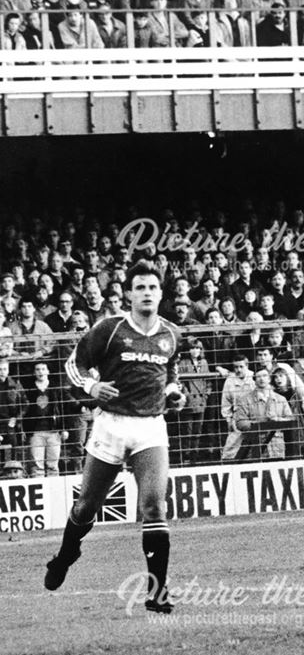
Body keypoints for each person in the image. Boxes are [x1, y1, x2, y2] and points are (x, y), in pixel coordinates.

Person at [45, 261, 185, 614]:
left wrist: (173, 391)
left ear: (161, 293)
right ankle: (64, 556)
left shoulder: (171, 334)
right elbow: (73, 365)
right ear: (128, 293)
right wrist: (92, 386)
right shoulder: (109, 329)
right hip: (110, 424)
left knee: (154, 505)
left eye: (152, 287)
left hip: (150, 427)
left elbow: (171, 370)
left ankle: (157, 592)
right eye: (140, 287)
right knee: (87, 505)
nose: (147, 293)